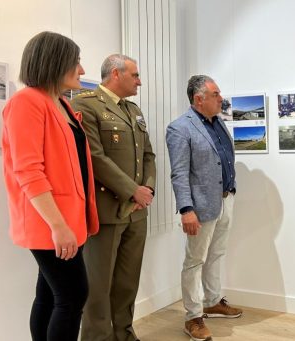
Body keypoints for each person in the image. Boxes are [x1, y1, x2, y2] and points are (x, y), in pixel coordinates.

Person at [1, 31, 99, 341]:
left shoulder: (59, 103)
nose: (82, 70)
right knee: (72, 297)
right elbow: (28, 170)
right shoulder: (26, 102)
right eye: (76, 62)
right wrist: (58, 224)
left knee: (50, 295)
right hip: (51, 221)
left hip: (69, 217)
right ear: (55, 62)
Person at [71, 54, 156, 341]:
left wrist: (148, 189)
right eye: (135, 75)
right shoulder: (85, 104)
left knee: (127, 283)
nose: (139, 81)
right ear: (116, 74)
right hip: (106, 212)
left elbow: (148, 155)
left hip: (137, 212)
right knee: (98, 287)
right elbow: (94, 157)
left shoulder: (133, 110)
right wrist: (134, 190)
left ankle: (124, 334)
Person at [166, 75, 242, 341]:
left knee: (217, 253)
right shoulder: (179, 128)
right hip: (199, 206)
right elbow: (179, 173)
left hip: (225, 199)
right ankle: (193, 317)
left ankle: (212, 301)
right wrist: (186, 209)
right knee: (194, 261)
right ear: (199, 99)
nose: (221, 98)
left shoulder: (219, 122)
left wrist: (229, 192)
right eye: (216, 94)